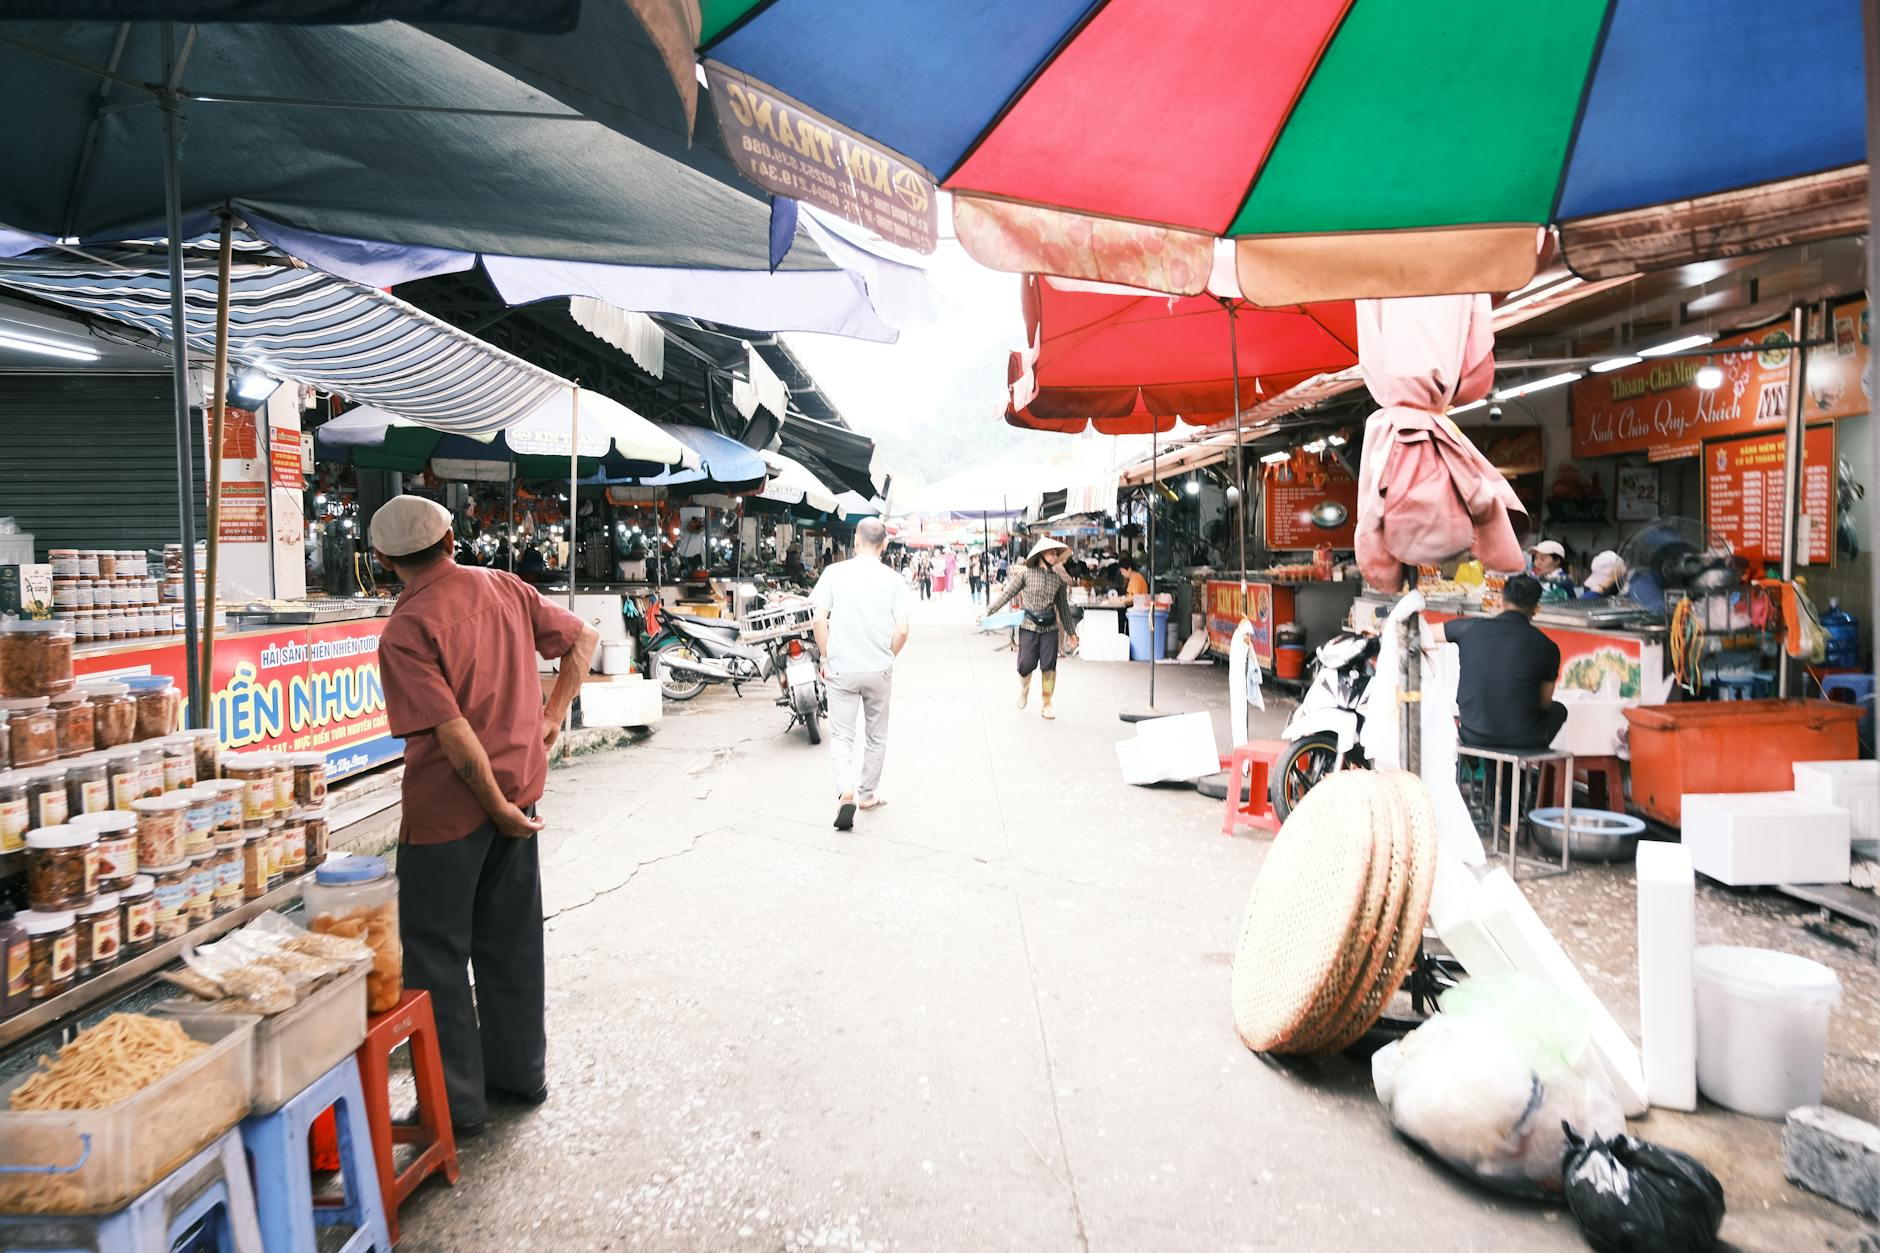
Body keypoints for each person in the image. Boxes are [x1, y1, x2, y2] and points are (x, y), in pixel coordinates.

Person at [371, 496, 600, 1137]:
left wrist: (493, 807)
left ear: (385, 560)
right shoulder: (504, 586)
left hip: (451, 814)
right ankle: (521, 1074)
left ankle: (458, 1105)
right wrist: (553, 715)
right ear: (451, 538)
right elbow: (585, 638)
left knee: (438, 956)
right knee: (512, 942)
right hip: (520, 794)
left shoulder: (405, 629)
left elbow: (451, 732)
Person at [810, 518, 912, 831]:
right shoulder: (894, 580)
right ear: (884, 545)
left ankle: (846, 790)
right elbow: (903, 629)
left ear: (855, 541)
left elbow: (818, 620)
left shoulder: (833, 573)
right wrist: (887, 657)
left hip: (842, 668)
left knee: (842, 736)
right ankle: (867, 795)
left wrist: (826, 657)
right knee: (876, 736)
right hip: (878, 669)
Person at [1432, 573, 1566, 750]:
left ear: (1499, 600)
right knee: (1558, 709)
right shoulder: (1548, 647)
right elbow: (1544, 703)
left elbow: (1424, 632)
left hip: (1472, 734)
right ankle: (1520, 774)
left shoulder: (1468, 628)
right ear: (1536, 609)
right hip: (1524, 740)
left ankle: (1496, 773)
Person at [983, 537, 1081, 720]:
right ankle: (1024, 689)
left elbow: (1064, 608)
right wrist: (989, 611)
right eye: (1051, 553)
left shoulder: (1057, 579)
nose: (1054, 556)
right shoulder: (1026, 574)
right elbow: (1007, 594)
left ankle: (1047, 703)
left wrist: (1071, 632)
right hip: (1029, 626)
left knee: (1049, 667)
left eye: (1056, 553)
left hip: (1050, 628)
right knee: (1025, 665)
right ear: (1041, 554)